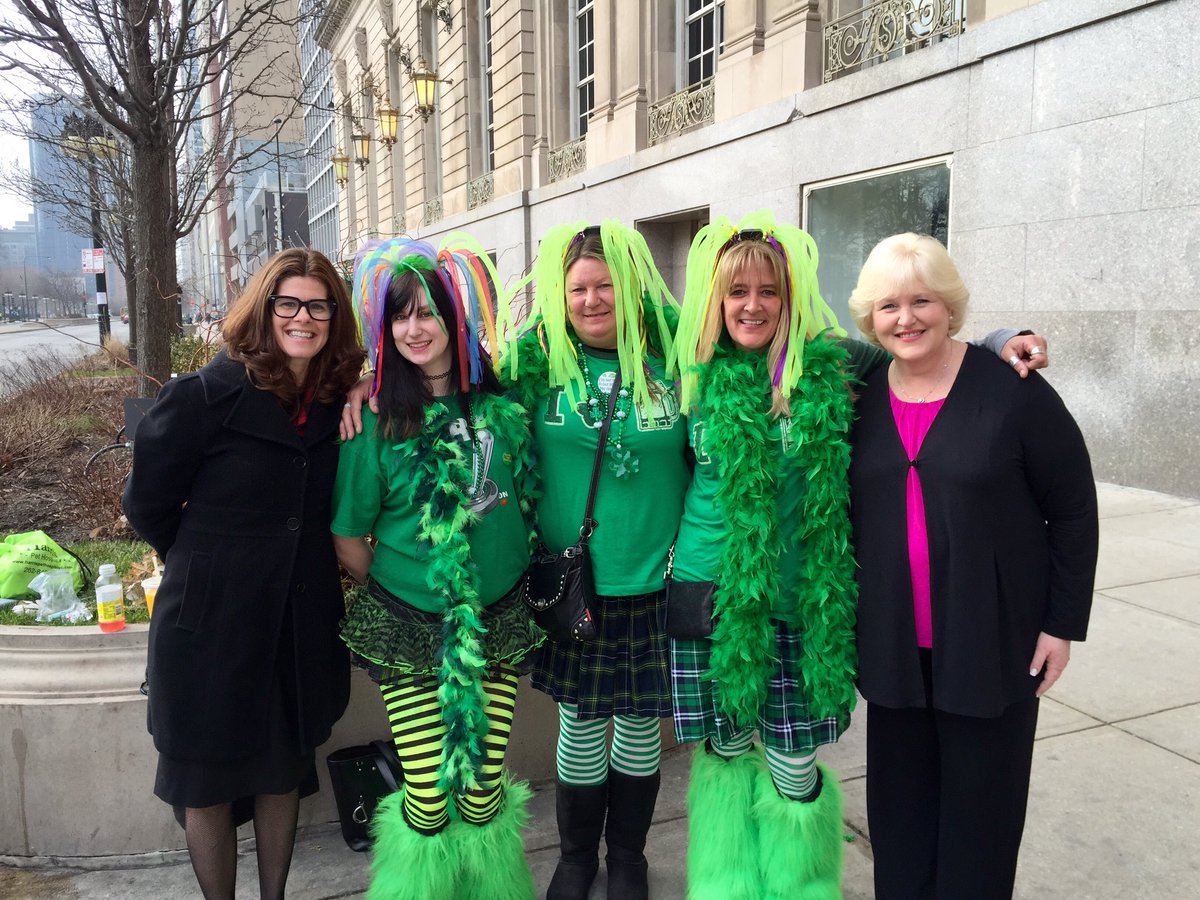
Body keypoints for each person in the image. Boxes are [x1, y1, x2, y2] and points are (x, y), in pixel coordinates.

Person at [846, 233, 1098, 900]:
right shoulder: (860, 394)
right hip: (895, 653)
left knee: (980, 828)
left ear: (949, 305)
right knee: (900, 824)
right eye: (890, 305)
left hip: (993, 647)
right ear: (870, 315)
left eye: (922, 300)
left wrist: (1061, 624)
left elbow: (1072, 506)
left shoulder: (1013, 391)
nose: (907, 319)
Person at [123, 248, 366, 900]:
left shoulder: (338, 399)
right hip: (208, 626)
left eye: (319, 305)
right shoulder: (206, 396)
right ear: (264, 309)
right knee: (204, 782)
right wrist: (206, 565)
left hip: (297, 620)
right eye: (288, 303)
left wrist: (368, 385)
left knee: (279, 771)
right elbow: (146, 503)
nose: (303, 317)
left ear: (334, 317)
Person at [331, 237, 544, 900]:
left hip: (495, 623)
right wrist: (407, 590)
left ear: (459, 318)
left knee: (481, 794)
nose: (415, 329)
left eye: (429, 313)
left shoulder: (504, 404)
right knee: (427, 797)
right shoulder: (373, 421)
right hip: (409, 626)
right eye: (401, 316)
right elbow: (346, 537)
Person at [499, 221, 686, 900]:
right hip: (575, 584)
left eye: (606, 285)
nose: (591, 299)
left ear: (631, 288)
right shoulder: (534, 362)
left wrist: (988, 346)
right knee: (579, 722)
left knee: (638, 724)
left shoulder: (680, 357)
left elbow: (798, 356)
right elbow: (445, 383)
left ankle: (629, 857)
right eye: (578, 287)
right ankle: (576, 858)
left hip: (654, 583)